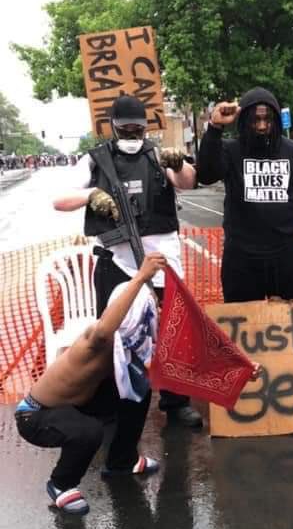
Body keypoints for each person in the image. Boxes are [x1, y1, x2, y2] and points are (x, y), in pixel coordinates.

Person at [53, 95, 202, 427]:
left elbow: (187, 183)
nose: (134, 135)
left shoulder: (157, 155)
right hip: (116, 261)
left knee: (172, 331)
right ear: (114, 127)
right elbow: (59, 199)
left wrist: (178, 164)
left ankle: (176, 402)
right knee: (108, 335)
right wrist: (90, 195)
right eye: (127, 129)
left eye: (139, 128)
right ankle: (107, 401)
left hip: (162, 259)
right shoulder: (95, 160)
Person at [14, 253, 166, 516]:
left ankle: (122, 461)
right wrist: (141, 277)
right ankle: (61, 484)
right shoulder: (94, 339)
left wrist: (246, 369)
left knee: (138, 391)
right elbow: (106, 329)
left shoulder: (129, 346)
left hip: (77, 404)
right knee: (90, 431)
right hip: (36, 416)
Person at [197, 87, 293, 301]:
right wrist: (215, 127)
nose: (262, 126)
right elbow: (207, 174)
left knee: (291, 324)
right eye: (255, 120)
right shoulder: (230, 150)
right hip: (241, 257)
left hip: (285, 254)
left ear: (276, 119)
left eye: (268, 120)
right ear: (244, 121)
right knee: (243, 328)